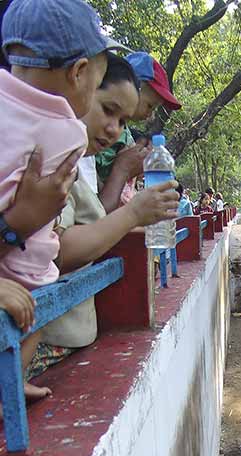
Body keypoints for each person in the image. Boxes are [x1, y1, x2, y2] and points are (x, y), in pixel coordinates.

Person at [27, 53, 178, 380]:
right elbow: (56, 253)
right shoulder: (53, 159)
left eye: (124, 121)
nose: (114, 130)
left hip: (69, 337)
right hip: (48, 341)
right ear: (80, 86)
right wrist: (133, 213)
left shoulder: (80, 161)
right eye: (108, 111)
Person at [0, 0, 111, 400]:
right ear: (79, 72)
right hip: (22, 266)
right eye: (98, 88)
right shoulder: (67, 134)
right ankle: (7, 389)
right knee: (36, 307)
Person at [96, 51, 181, 213]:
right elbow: (96, 214)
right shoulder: (95, 136)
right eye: (150, 105)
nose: (151, 115)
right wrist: (123, 168)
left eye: (122, 121)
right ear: (135, 86)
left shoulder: (126, 135)